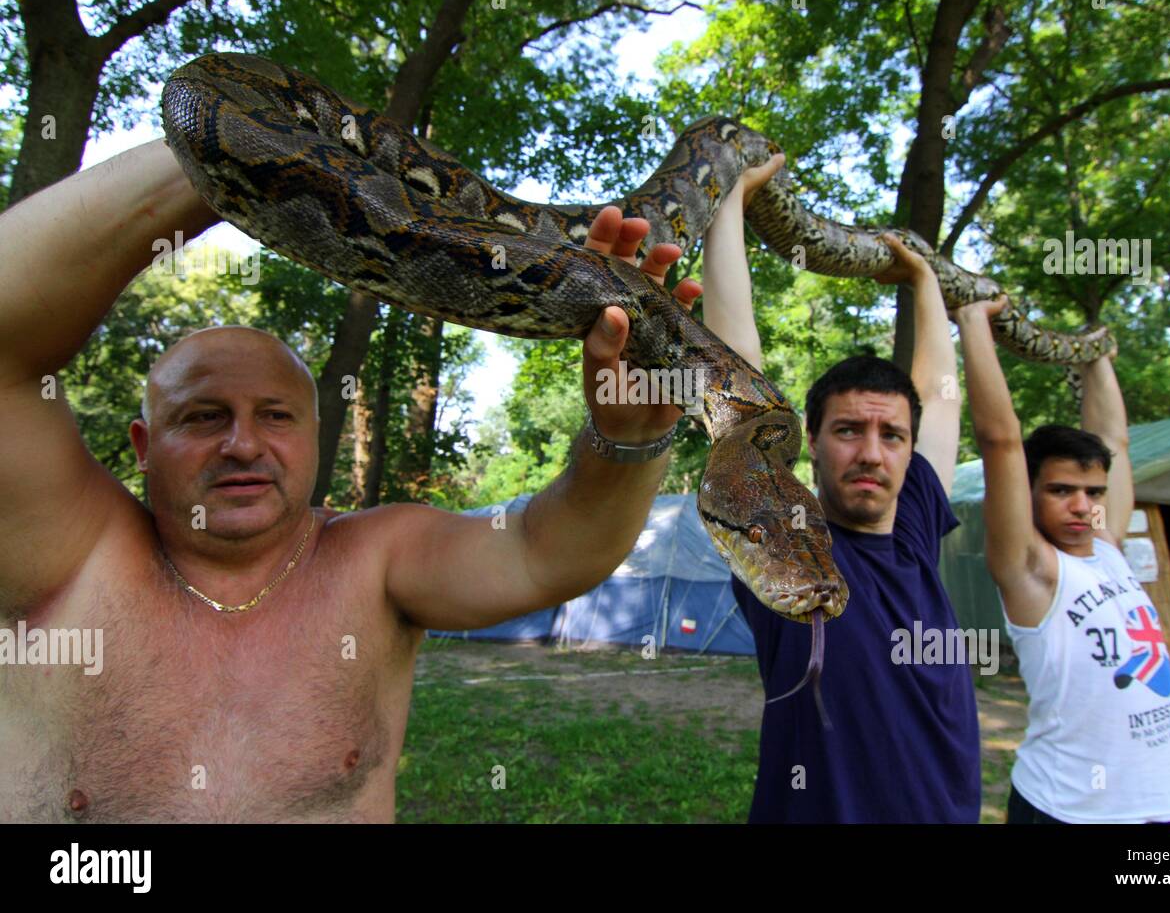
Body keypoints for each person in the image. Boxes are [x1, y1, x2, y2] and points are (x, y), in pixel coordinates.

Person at [0, 137, 697, 822]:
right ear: (145, 446)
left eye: (275, 416)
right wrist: (243, 146)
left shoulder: (375, 559)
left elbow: (546, 552)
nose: (243, 445)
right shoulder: (69, 551)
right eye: (204, 417)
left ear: (314, 436)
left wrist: (628, 439)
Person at [699, 154, 980, 822]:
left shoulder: (915, 533)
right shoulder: (782, 546)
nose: (872, 454)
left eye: (892, 437)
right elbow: (733, 366)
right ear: (813, 443)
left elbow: (942, 397)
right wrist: (727, 201)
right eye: (849, 431)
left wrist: (923, 277)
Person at [953, 296, 1170, 823]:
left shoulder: (1108, 550)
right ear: (1029, 492)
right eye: (1061, 490)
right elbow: (1000, 442)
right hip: (1069, 808)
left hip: (1158, 802)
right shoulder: (1033, 571)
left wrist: (1098, 354)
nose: (1082, 505)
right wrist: (974, 322)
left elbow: (1115, 441)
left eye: (1093, 491)